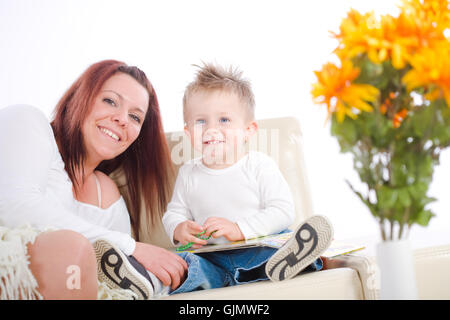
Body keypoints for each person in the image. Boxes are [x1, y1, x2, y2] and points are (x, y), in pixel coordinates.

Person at [0, 60, 187, 300]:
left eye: (135, 117)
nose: (122, 119)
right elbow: (13, 204)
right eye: (110, 101)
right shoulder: (27, 121)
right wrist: (131, 246)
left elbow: (127, 269)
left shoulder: (106, 195)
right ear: (81, 97)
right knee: (71, 248)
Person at [161, 63, 334, 294]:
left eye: (224, 120)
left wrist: (239, 229)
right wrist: (178, 228)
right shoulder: (188, 173)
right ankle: (155, 280)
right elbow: (174, 212)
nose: (212, 129)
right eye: (201, 121)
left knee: (280, 243)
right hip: (212, 258)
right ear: (188, 133)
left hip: (258, 248)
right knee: (186, 263)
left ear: (248, 130)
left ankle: (292, 261)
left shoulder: (259, 165)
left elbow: (283, 210)